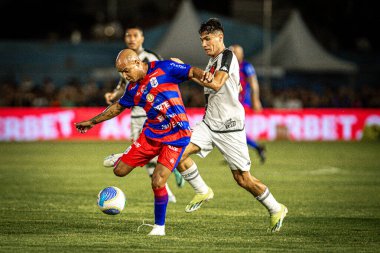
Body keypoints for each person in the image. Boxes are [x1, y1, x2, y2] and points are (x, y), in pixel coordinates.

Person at [75, 49, 214, 236]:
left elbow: (190, 71)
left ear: (137, 62)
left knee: (157, 182)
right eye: (121, 73)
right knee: (119, 171)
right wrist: (92, 122)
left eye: (126, 71)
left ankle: (159, 228)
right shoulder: (133, 89)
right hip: (151, 135)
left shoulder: (165, 68)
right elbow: (117, 107)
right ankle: (127, 156)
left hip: (176, 136)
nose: (125, 76)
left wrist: (204, 75)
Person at [176, 18, 288, 233]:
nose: (204, 44)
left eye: (207, 39)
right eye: (201, 40)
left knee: (243, 179)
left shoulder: (227, 55)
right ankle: (202, 190)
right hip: (209, 125)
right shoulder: (212, 61)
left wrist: (189, 70)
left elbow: (216, 83)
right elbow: (210, 83)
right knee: (177, 151)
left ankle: (276, 208)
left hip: (230, 127)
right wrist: (187, 72)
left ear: (220, 37)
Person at [102, 26, 185, 203]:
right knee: (141, 152)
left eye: (135, 35)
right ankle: (170, 180)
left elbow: (167, 75)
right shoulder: (124, 60)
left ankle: (170, 177)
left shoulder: (151, 58)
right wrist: (114, 94)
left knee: (144, 150)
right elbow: (123, 85)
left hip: (152, 115)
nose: (131, 39)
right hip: (135, 113)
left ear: (142, 38)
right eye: (128, 35)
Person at [229, 44, 266, 164]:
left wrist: (256, 100)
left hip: (242, 103)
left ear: (242, 54)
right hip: (231, 102)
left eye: (237, 52)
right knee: (233, 129)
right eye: (234, 52)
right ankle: (252, 149)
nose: (236, 54)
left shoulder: (246, 66)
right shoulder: (229, 66)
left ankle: (249, 151)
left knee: (234, 128)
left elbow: (254, 83)